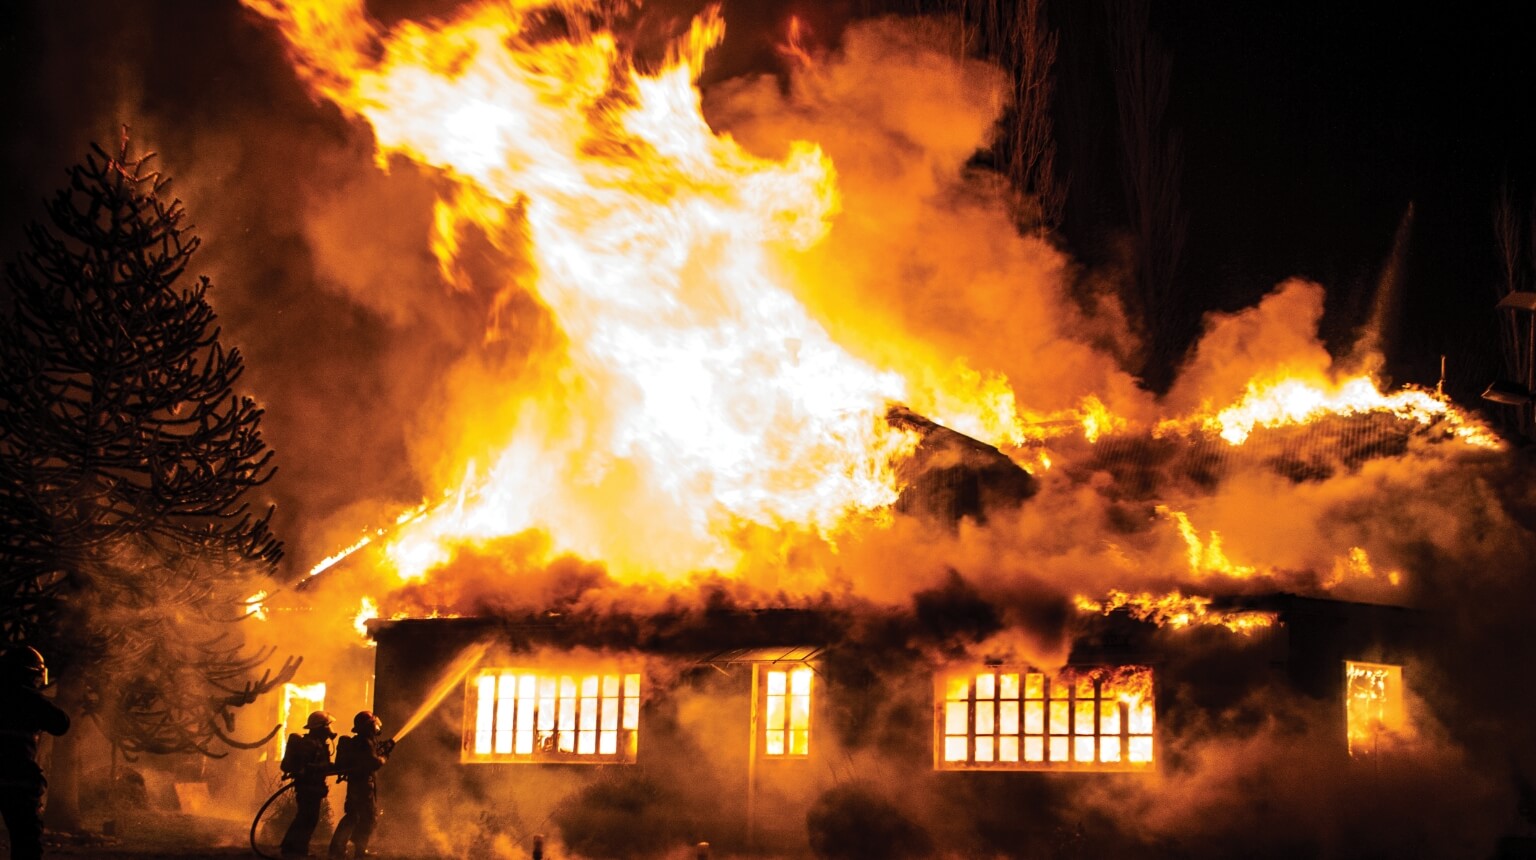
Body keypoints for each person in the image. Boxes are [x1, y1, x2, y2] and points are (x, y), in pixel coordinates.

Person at [0, 646, 70, 860]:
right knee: (26, 842)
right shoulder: (28, 699)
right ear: (29, 674)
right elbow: (61, 724)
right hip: (17, 780)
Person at [328, 711, 391, 860]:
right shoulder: (365, 743)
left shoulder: (361, 741)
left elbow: (368, 756)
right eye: (374, 723)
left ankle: (349, 850)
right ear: (369, 726)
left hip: (359, 784)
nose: (377, 726)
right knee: (363, 817)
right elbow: (373, 763)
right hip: (363, 785)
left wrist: (382, 748)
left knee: (358, 817)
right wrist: (384, 756)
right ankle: (347, 851)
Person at [279, 710, 336, 859]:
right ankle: (296, 850)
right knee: (307, 818)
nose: (330, 729)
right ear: (321, 727)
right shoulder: (309, 745)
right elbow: (305, 767)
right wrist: (324, 767)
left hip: (313, 787)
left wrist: (329, 767)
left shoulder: (317, 744)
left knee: (306, 817)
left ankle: (292, 848)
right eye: (328, 725)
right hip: (308, 787)